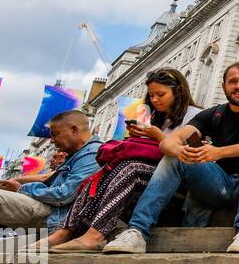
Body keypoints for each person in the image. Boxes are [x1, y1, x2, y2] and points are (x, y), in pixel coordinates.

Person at [104, 62, 239, 255]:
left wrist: (219, 152)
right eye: (233, 81)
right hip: (221, 185)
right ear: (224, 86)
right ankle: (137, 231)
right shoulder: (212, 114)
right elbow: (170, 142)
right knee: (173, 157)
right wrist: (179, 151)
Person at [43, 68, 201, 252]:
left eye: (161, 94)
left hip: (176, 181)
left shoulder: (194, 116)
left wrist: (157, 136)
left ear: (178, 90)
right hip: (149, 176)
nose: (155, 100)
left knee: (130, 169)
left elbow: (191, 155)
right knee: (102, 173)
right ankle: (65, 231)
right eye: (151, 96)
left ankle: (95, 235)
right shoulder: (157, 119)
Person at [0, 110, 103, 242]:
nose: (52, 141)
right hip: (50, 211)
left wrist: (20, 189)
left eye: (55, 134)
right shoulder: (77, 154)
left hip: (56, 216)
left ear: (74, 130)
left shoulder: (91, 153)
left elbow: (64, 195)